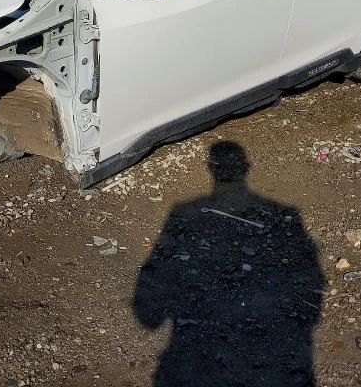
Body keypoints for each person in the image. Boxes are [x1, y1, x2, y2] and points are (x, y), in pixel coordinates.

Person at [133, 141, 323, 386]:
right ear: (247, 167)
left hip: (200, 357)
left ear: (211, 169)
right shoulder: (285, 215)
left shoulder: (184, 212)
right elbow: (309, 283)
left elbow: (149, 312)